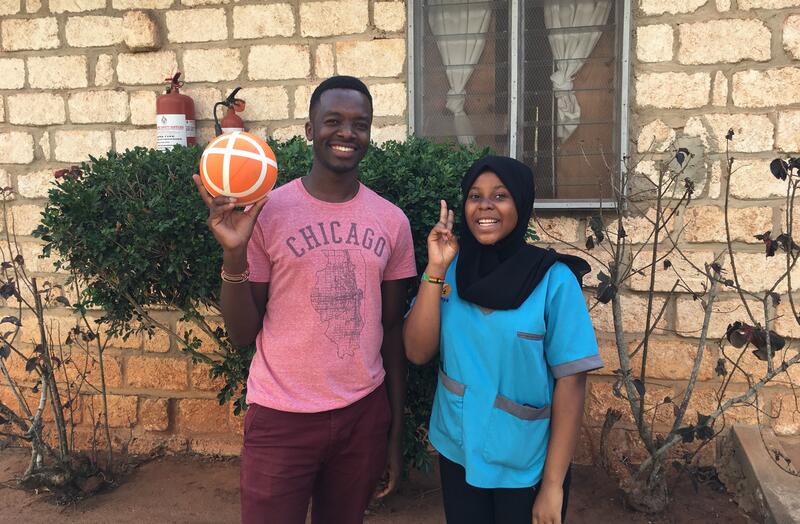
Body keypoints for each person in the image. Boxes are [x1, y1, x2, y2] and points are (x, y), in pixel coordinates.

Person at [193, 76, 417, 524]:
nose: (347, 133)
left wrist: (393, 429)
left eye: (360, 124)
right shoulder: (267, 211)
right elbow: (241, 334)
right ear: (311, 129)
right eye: (333, 120)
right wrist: (234, 254)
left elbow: (390, 331)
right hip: (281, 419)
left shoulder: (392, 222)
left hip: (362, 416)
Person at [403, 156, 602, 524]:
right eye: (475, 196)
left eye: (500, 195)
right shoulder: (451, 269)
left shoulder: (553, 281)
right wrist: (434, 268)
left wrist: (553, 486)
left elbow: (572, 383)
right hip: (459, 449)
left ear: (521, 204)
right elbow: (416, 351)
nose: (485, 206)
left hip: (526, 463)